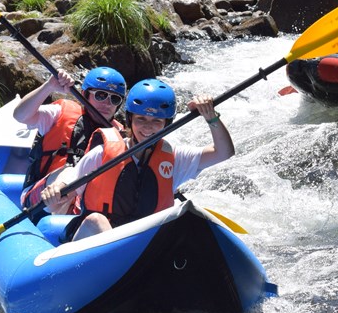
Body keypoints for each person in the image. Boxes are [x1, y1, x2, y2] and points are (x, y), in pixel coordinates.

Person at [41, 78, 234, 241]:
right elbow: (57, 200)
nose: (148, 128)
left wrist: (211, 117)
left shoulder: (175, 158)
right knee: (96, 221)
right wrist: (55, 192)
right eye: (141, 119)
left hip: (141, 246)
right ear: (130, 120)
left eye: (156, 121)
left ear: (167, 124)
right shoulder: (101, 154)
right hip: (94, 243)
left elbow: (223, 152)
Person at [13, 66, 126, 208]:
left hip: (84, 203)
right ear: (85, 95)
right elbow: (20, 115)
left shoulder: (120, 135)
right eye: (101, 95)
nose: (107, 104)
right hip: (40, 198)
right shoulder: (60, 113)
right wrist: (49, 86)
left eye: (115, 99)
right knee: (71, 173)